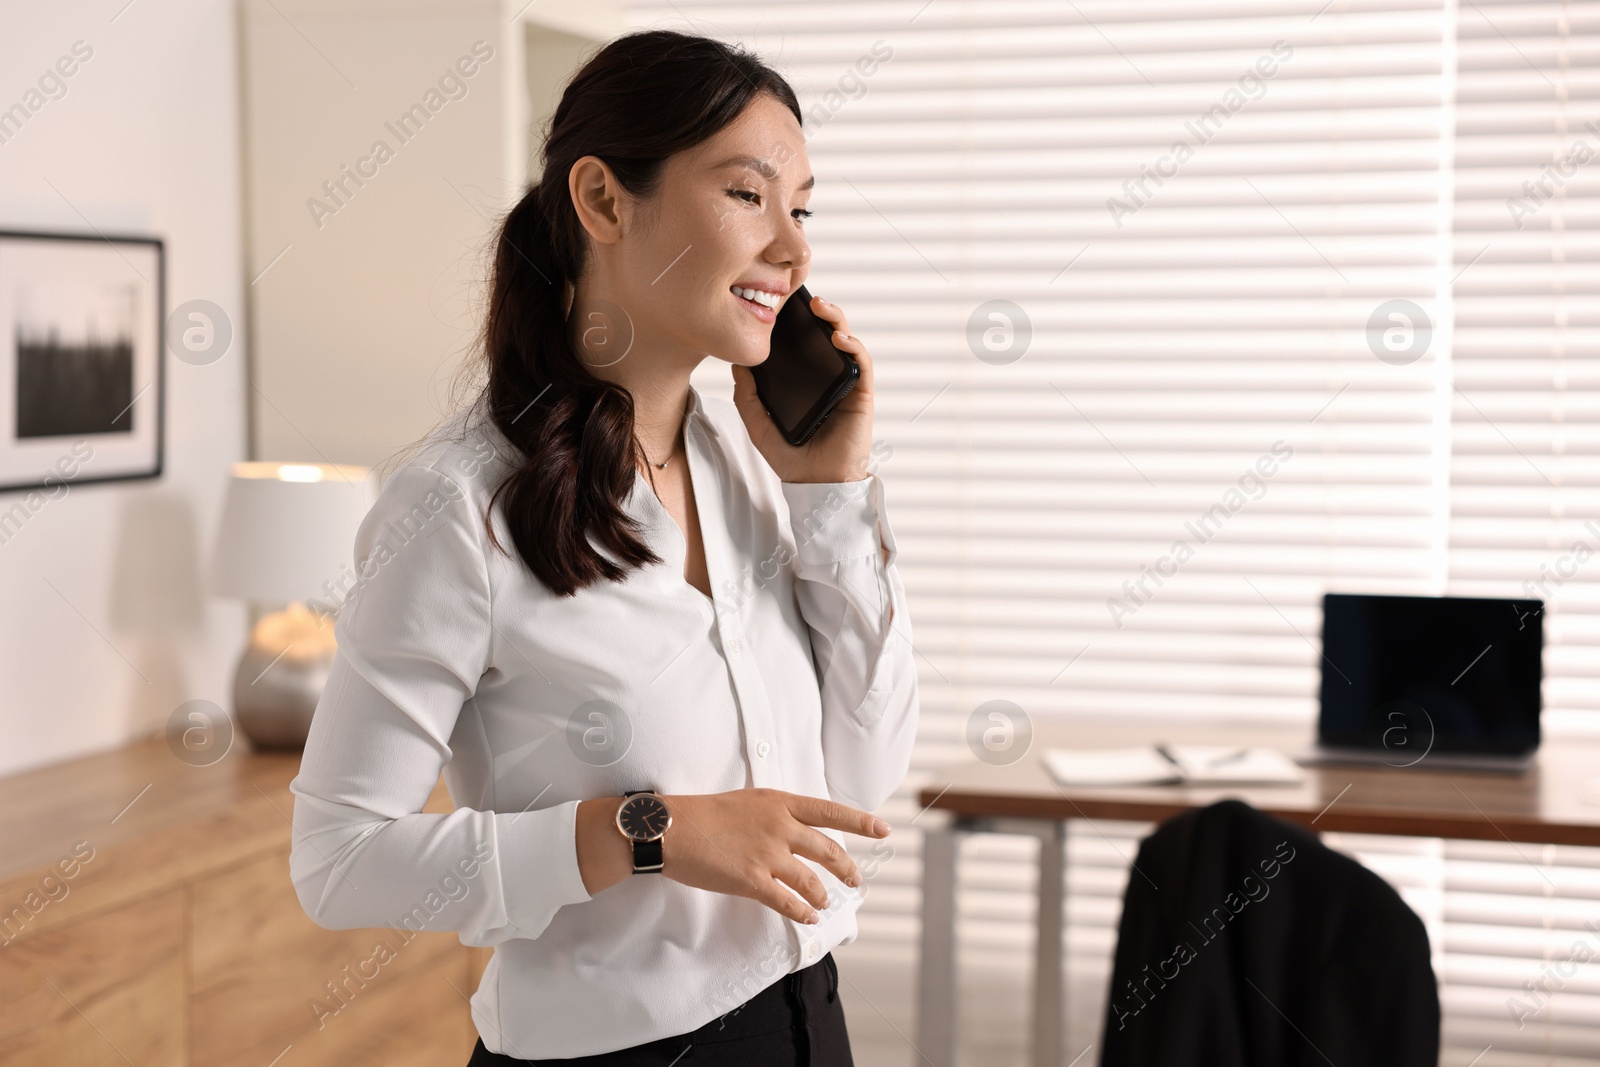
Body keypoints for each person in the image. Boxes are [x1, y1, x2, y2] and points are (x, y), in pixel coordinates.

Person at [286, 28, 919, 1066]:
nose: (794, 248)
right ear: (604, 200)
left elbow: (863, 770)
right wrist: (645, 830)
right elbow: (340, 859)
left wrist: (832, 493)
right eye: (749, 195)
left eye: (800, 208)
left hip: (808, 1023)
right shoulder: (456, 505)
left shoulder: (755, 468)